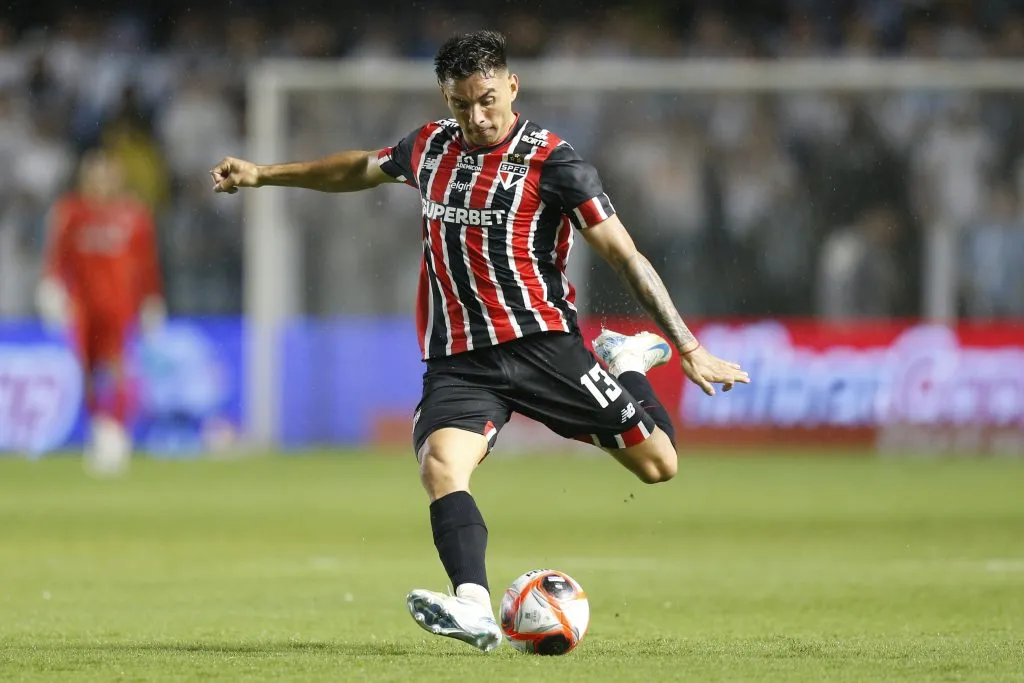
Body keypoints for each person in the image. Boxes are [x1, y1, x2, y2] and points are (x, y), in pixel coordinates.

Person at [210, 30, 749, 651]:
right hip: (460, 360)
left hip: (543, 346)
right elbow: (360, 168)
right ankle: (473, 604)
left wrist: (687, 347)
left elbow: (626, 256)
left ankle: (624, 362)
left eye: (488, 100)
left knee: (660, 465)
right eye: (461, 104)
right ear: (446, 99)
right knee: (441, 464)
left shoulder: (556, 164)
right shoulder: (430, 147)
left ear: (512, 86)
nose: (477, 117)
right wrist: (262, 174)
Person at [38, 148, 166, 475]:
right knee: (86, 371)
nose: (101, 182)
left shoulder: (133, 215)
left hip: (120, 307)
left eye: (106, 175)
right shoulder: (71, 212)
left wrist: (152, 299)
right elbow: (58, 256)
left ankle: (118, 429)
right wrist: (51, 287)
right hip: (83, 308)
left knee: (120, 368)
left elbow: (147, 264)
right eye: (94, 175)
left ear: (117, 178)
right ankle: (100, 428)